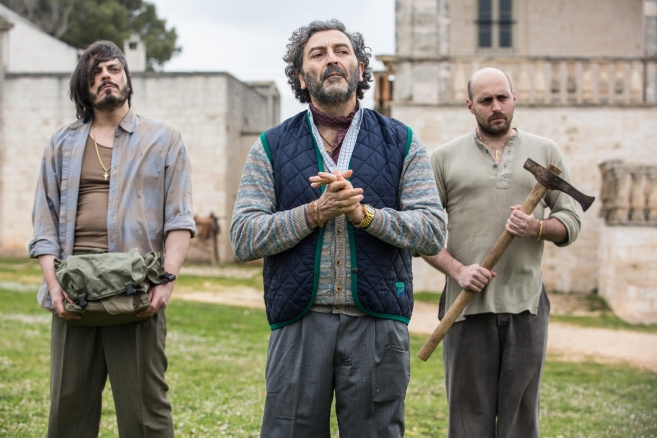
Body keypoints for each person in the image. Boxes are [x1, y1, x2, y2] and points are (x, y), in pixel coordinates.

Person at [230, 19, 446, 437]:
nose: (332, 59)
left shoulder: (402, 142)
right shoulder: (270, 147)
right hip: (299, 322)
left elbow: (433, 230)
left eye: (342, 51)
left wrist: (365, 216)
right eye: (318, 54)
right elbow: (242, 236)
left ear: (360, 69)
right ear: (300, 77)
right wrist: (315, 212)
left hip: (378, 323)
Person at [29, 40, 195, 438]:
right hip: (74, 291)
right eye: (95, 72)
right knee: (68, 412)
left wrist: (166, 283)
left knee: (145, 416)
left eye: (114, 69)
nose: (106, 76)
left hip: (136, 291)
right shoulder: (61, 144)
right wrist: (53, 286)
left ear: (127, 79)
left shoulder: (165, 140)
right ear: (83, 86)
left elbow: (179, 218)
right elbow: (44, 224)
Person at [423, 67, 581, 438]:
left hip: (526, 304)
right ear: (470, 105)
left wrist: (536, 227)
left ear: (514, 99)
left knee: (520, 424)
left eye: (502, 98)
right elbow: (421, 232)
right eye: (486, 100)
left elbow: (571, 220)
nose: (496, 106)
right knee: (468, 422)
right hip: (465, 306)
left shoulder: (545, 152)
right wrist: (458, 270)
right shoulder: (443, 158)